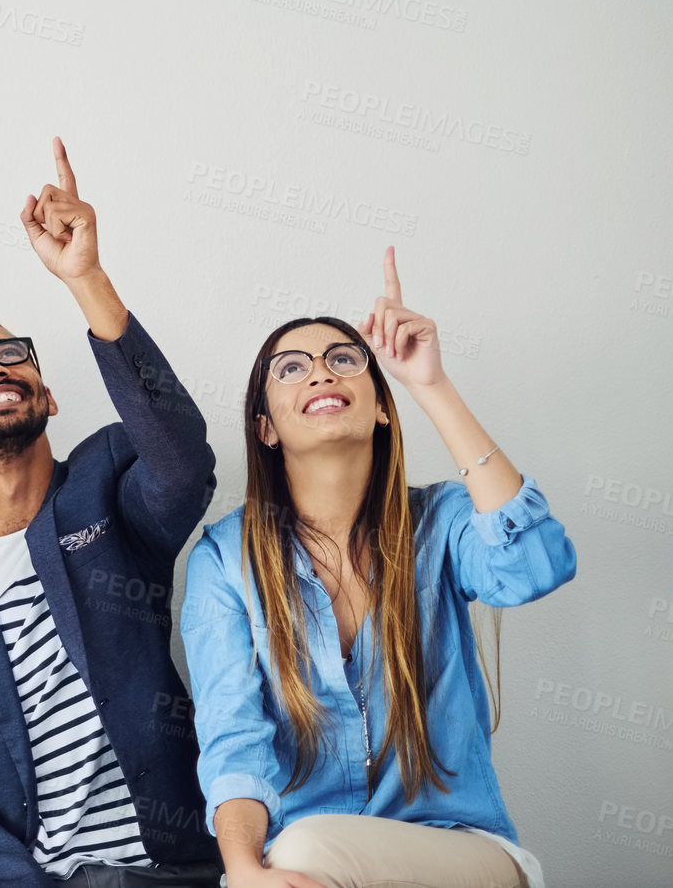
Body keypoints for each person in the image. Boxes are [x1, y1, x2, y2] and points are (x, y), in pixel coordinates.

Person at [181, 248, 576, 888]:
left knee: (304, 851)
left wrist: (430, 385)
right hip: (302, 863)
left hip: (458, 849)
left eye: (343, 359)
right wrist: (241, 869)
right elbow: (234, 739)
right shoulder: (226, 558)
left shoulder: (443, 520)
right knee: (273, 869)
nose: (319, 374)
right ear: (266, 429)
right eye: (291, 368)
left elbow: (534, 566)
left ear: (381, 407)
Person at [0, 138, 222, 888]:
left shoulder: (107, 479)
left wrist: (86, 279)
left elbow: (183, 463)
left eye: (10, 352)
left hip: (172, 865)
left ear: (46, 396)